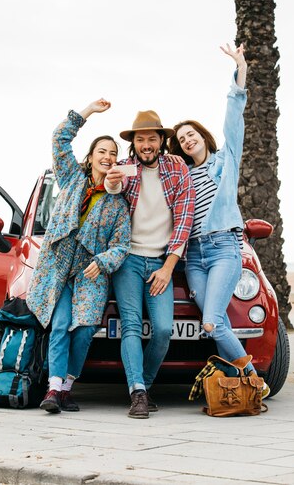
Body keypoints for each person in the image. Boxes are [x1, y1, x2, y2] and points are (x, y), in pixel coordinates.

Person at [168, 43, 269, 395]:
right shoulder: (181, 176)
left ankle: (254, 379)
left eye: (191, 134)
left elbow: (233, 122)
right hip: (193, 257)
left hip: (224, 248)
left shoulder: (224, 162)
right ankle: (246, 383)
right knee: (218, 319)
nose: (187, 140)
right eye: (181, 140)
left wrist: (239, 73)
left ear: (201, 135)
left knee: (210, 322)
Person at [26, 99, 131, 414]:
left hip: (90, 274)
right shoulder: (72, 177)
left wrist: (102, 262)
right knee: (59, 325)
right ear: (91, 157)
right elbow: (59, 139)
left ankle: (67, 387)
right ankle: (53, 390)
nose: (108, 157)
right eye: (102, 151)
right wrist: (88, 111)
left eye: (113, 154)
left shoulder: (118, 204)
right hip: (58, 269)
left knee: (84, 329)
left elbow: (121, 245)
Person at [105, 111, 195, 418]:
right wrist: (112, 183)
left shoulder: (177, 167)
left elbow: (184, 219)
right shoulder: (125, 169)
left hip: (160, 262)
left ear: (161, 141)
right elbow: (114, 191)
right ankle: (139, 395)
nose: (146, 144)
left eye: (151, 139)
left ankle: (142, 384)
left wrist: (168, 267)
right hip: (128, 260)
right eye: (140, 139)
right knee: (130, 325)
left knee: (163, 330)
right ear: (133, 143)